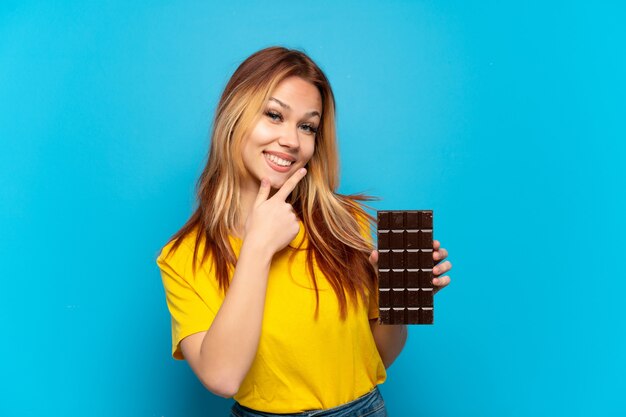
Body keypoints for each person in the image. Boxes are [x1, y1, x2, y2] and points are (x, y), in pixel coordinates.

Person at [156, 46, 453, 417]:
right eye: (274, 115)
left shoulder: (345, 223)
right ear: (234, 115)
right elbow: (223, 378)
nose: (292, 141)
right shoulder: (184, 255)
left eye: (307, 126)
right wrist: (258, 247)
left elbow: (376, 359)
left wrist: (399, 300)